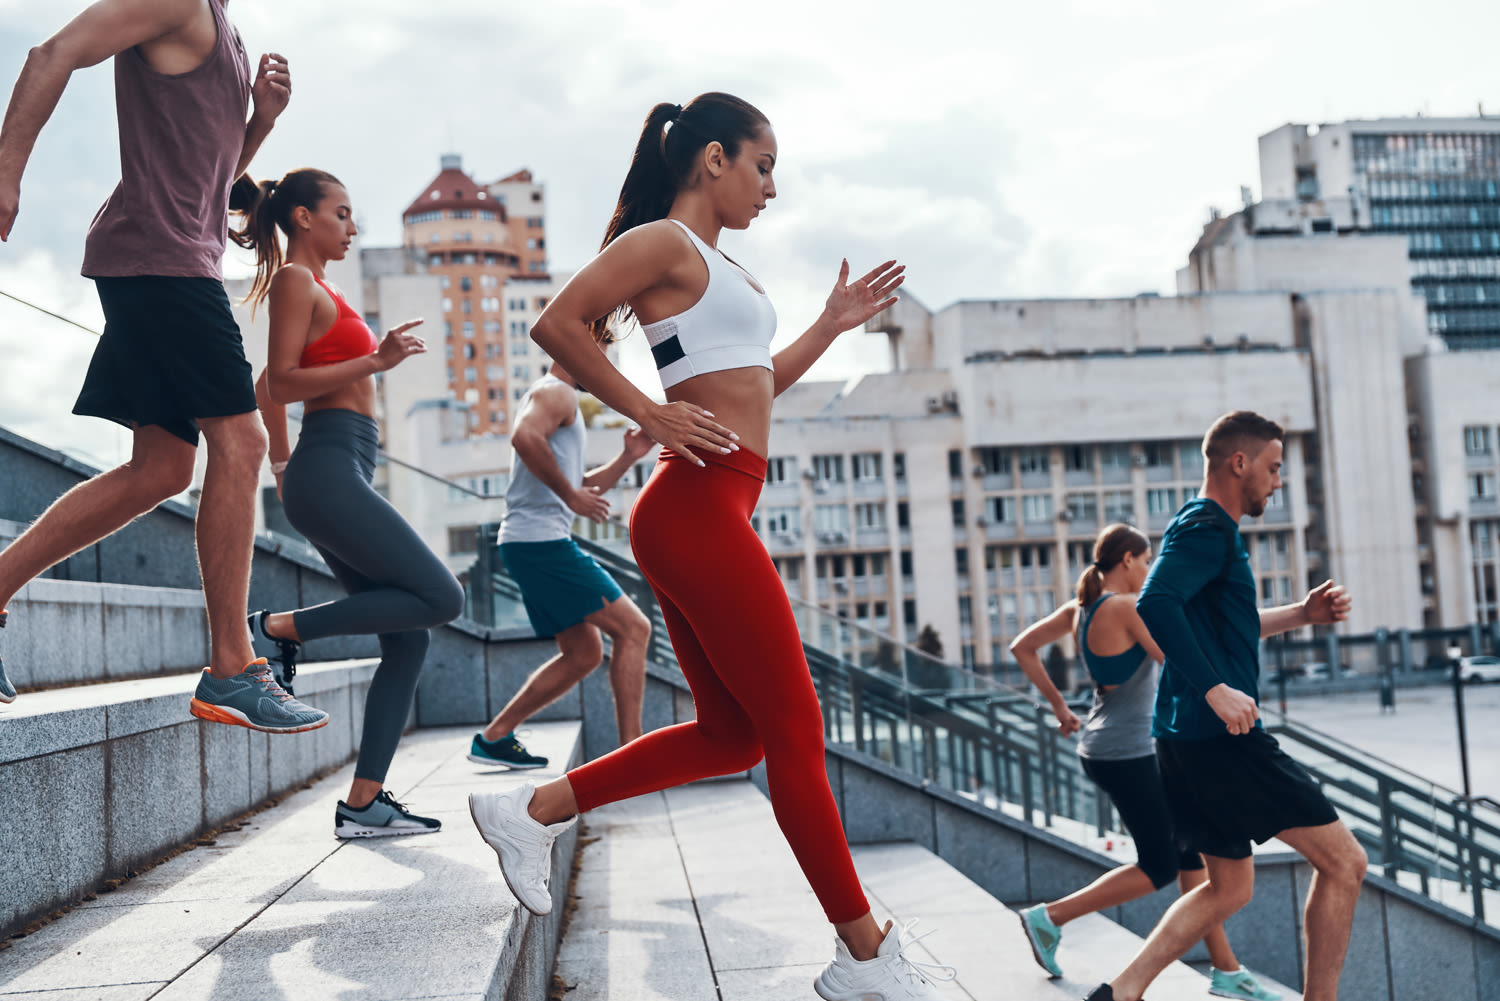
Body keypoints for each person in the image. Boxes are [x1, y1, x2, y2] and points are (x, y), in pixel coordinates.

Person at [466, 93, 955, 999]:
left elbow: (757, 386)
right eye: (764, 166)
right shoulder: (664, 243)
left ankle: (531, 811)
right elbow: (557, 325)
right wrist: (645, 410)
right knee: (798, 733)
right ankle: (866, 955)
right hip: (694, 509)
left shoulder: (721, 268)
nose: (773, 187)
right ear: (715, 158)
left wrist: (831, 322)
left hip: (710, 508)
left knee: (736, 737)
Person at [0, 0, 325, 730]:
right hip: (162, 264)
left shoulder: (222, 27)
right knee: (243, 442)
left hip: (168, 258)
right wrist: (5, 172)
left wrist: (262, 121)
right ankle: (232, 667)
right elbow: (50, 53)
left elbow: (207, 179)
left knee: (162, 470)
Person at [1084, 411, 1364, 1001]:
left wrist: (1302, 615)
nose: (1278, 480)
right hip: (1221, 739)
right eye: (1273, 466)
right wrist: (1215, 689)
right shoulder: (1210, 529)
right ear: (1240, 463)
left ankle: (1123, 991)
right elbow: (1155, 605)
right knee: (1345, 863)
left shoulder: (1193, 525)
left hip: (1182, 739)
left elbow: (1222, 629)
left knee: (1229, 887)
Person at [235, 167, 465, 837]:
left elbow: (262, 387)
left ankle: (363, 803)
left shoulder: (322, 289)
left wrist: (282, 464)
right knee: (443, 596)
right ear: (303, 217)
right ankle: (276, 628)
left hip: (341, 470)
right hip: (331, 467)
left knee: (410, 640)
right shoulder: (295, 280)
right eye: (341, 213)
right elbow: (280, 379)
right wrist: (374, 363)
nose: (352, 226)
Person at [1011, 524, 1279, 1001]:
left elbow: (1022, 647)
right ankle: (1049, 917)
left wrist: (1059, 707)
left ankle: (1227, 971)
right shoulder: (1125, 607)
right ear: (1129, 560)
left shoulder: (1081, 609)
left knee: (1188, 857)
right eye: (1148, 560)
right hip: (1131, 751)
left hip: (1107, 747)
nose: (1151, 569)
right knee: (1159, 865)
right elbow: (1180, 658)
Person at [467, 361, 655, 769]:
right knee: (635, 628)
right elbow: (524, 437)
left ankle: (494, 737)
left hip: (531, 542)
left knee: (584, 652)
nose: (605, 361)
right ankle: (631, 756)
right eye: (602, 346)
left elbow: (582, 485)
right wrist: (571, 496)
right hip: (540, 544)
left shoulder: (555, 396)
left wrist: (628, 456)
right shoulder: (558, 391)